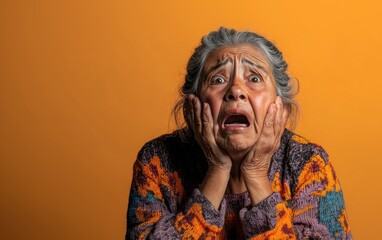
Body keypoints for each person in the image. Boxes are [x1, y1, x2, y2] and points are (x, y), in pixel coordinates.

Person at [126, 27, 352, 240]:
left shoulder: (309, 163)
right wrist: (218, 169)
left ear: (281, 109)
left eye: (254, 79)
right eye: (218, 80)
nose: (236, 90)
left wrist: (255, 172)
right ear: (190, 109)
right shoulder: (157, 161)